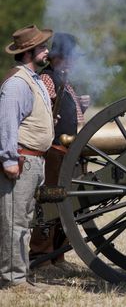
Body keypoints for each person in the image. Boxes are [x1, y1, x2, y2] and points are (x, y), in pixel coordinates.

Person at [29, 32, 90, 271]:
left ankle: (59, 256)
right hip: (54, 151)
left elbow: (70, 115)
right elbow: (42, 111)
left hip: (68, 151)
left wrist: (80, 107)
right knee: (50, 202)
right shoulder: (47, 79)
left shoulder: (66, 81)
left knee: (67, 205)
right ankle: (41, 256)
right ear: (60, 58)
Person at [0, 25, 54, 291]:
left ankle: (19, 274)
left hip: (35, 160)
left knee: (25, 220)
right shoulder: (17, 84)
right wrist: (9, 158)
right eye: (43, 47)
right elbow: (7, 123)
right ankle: (13, 280)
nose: (47, 51)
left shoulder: (32, 79)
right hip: (21, 158)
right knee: (15, 220)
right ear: (28, 52)